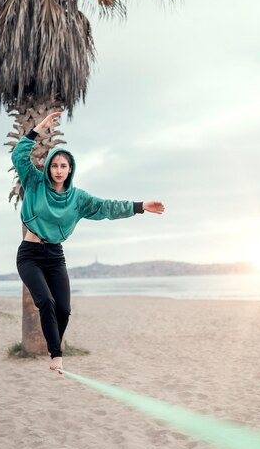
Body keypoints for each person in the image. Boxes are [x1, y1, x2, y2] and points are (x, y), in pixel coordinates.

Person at [12, 111, 165, 374]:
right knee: (46, 303)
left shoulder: (78, 199)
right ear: (48, 167)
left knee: (64, 309)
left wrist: (140, 206)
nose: (58, 170)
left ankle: (55, 349)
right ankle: (56, 355)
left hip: (54, 255)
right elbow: (18, 156)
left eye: (63, 166)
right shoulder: (34, 182)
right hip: (29, 254)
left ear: (70, 169)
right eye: (54, 165)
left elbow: (107, 207)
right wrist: (38, 129)